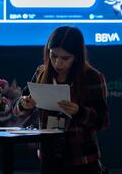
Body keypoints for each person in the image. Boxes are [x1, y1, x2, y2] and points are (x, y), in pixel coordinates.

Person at [13, 26, 109, 174]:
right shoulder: (41, 73)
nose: (58, 63)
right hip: (48, 156)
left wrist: (79, 111)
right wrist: (25, 103)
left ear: (76, 56)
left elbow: (102, 121)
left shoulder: (92, 77)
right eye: (53, 56)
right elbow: (17, 109)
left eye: (65, 58)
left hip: (82, 158)